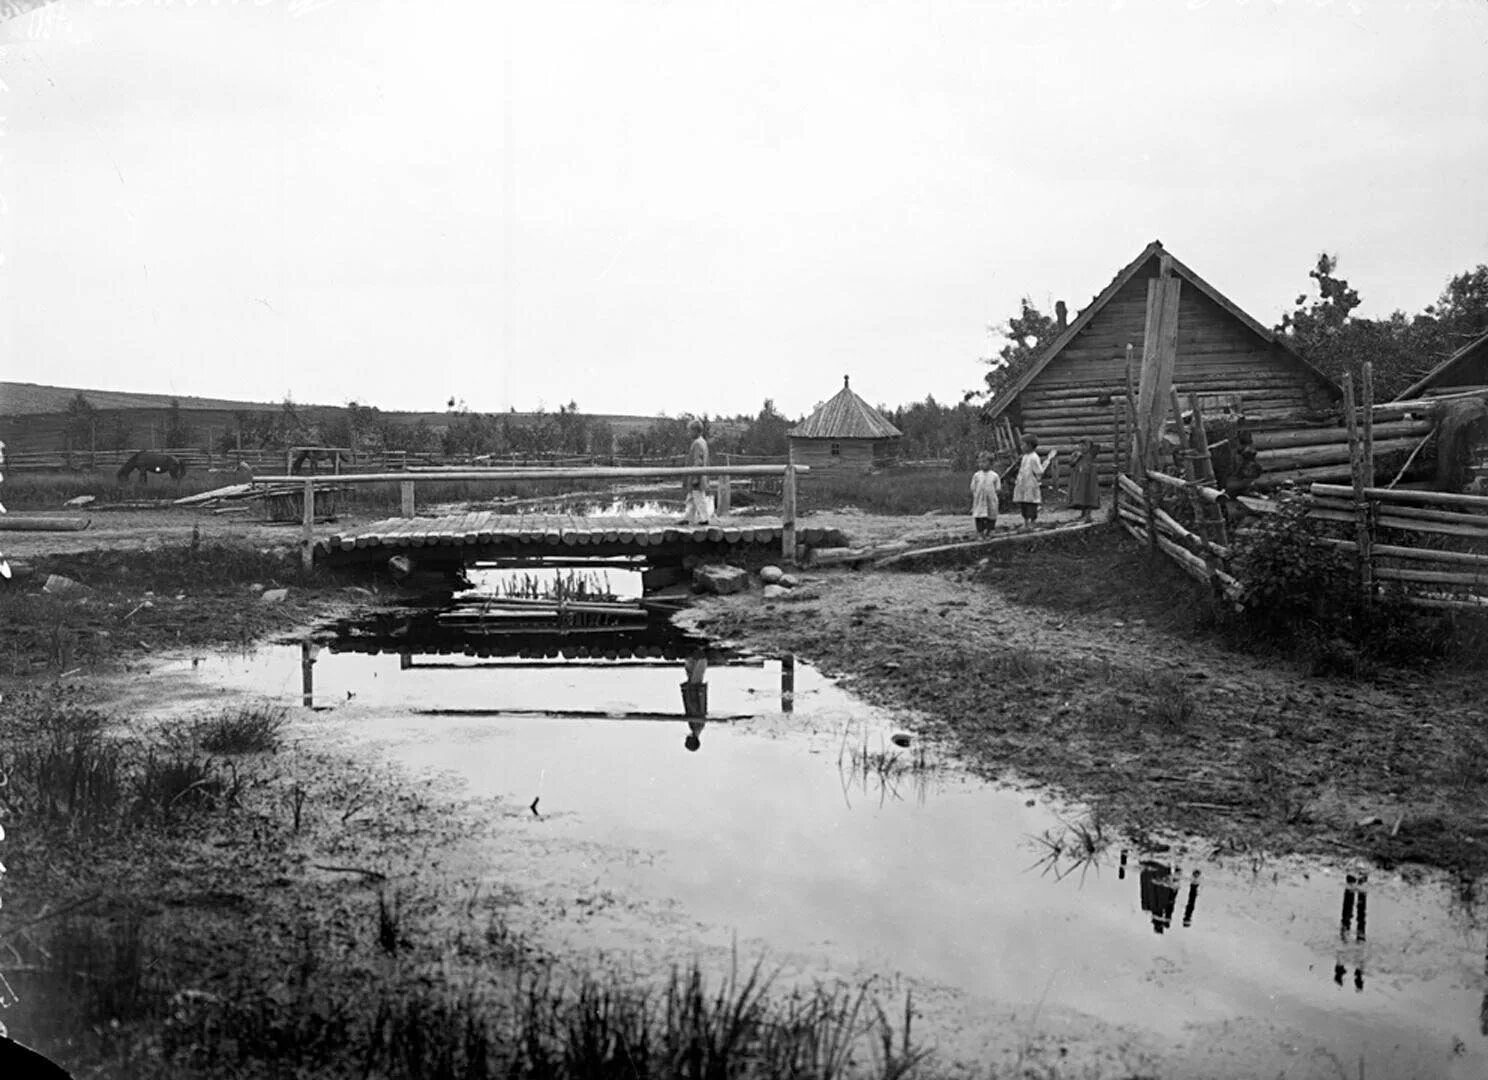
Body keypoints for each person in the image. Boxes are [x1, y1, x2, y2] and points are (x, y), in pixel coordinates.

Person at [1012, 434, 1057, 528]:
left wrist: (1038, 474)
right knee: (1023, 503)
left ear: (1029, 445)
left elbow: (1039, 471)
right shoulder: (1025, 457)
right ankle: (1025, 522)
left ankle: (1032, 521)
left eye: (1023, 444)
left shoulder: (1034, 457)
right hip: (1023, 484)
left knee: (1031, 503)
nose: (1021, 446)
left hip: (1030, 484)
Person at [681, 419, 710, 524]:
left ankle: (704, 518)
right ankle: (688, 517)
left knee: (698, 498)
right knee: (691, 498)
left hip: (697, 477)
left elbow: (698, 461)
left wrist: (695, 478)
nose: (689, 433)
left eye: (690, 431)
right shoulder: (702, 442)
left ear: (695, 431)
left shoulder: (697, 443)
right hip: (699, 476)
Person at [1067, 438, 1101, 523]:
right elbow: (1071, 464)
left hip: (1089, 481)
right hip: (1079, 481)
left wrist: (1090, 444)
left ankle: (1088, 516)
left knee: (1089, 496)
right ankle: (1082, 515)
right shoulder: (1076, 454)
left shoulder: (1090, 455)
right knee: (1081, 497)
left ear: (1089, 447)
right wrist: (1077, 457)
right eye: (1080, 445)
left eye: (1085, 445)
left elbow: (1098, 447)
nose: (1082, 447)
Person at [969, 452, 1001, 536]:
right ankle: (980, 531)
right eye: (980, 462)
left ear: (991, 463)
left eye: (984, 462)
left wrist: (993, 494)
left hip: (990, 498)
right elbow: (973, 487)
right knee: (979, 515)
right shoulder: (977, 475)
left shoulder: (994, 475)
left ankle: (990, 530)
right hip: (979, 499)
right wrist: (976, 494)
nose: (981, 464)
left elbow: (997, 488)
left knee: (991, 514)